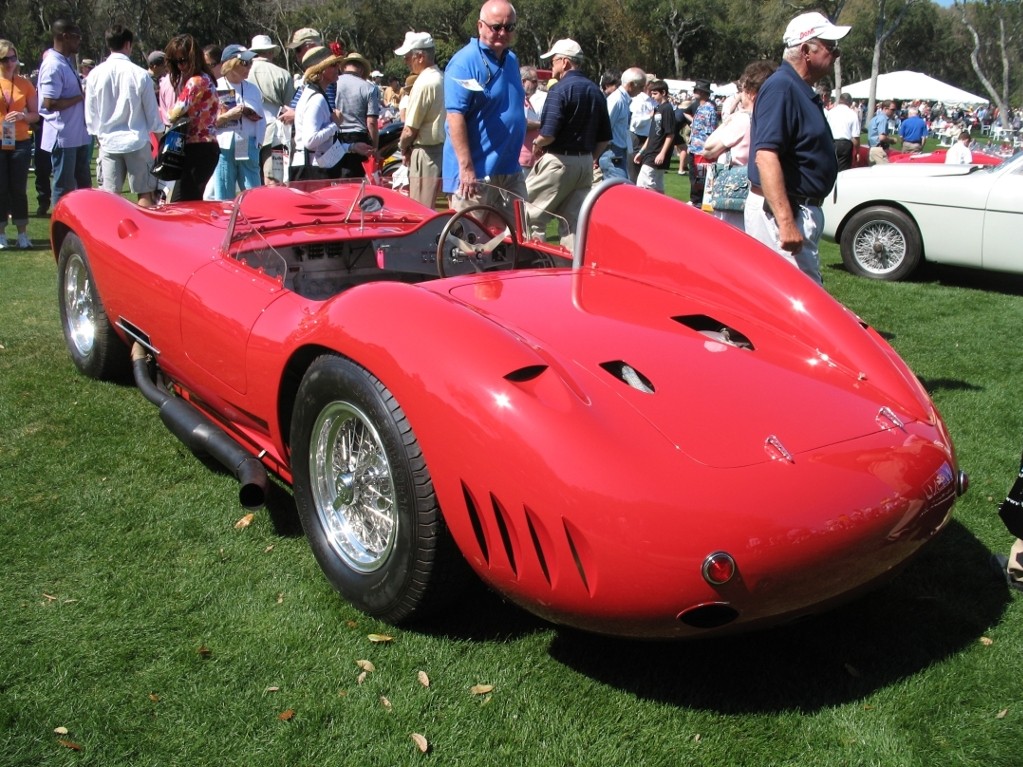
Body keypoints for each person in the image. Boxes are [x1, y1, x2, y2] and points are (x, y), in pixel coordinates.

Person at [745, 11, 850, 285]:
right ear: (806, 50)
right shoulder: (782, 88)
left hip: (795, 210)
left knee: (790, 301)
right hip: (785, 212)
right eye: (830, 47)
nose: (836, 54)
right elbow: (766, 157)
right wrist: (786, 222)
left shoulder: (795, 88)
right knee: (798, 303)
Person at [443, 0, 528, 217]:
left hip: (509, 170)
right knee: (469, 245)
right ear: (480, 26)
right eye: (496, 27)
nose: (502, 32)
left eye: (509, 27)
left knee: (518, 239)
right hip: (475, 175)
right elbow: (454, 116)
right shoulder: (464, 62)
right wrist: (466, 168)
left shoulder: (511, 60)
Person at [526, 38, 611, 249]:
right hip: (584, 165)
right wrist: (590, 159)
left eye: (553, 60)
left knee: (529, 216)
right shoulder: (595, 91)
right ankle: (569, 273)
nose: (551, 65)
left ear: (564, 62)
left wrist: (537, 143)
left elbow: (548, 134)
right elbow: (605, 137)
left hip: (558, 161)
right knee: (573, 224)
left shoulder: (560, 89)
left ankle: (532, 268)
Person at [84, 25, 163, 208]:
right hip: (136, 140)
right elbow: (153, 114)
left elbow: (91, 114)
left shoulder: (94, 75)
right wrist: (160, 140)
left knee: (111, 198)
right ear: (128, 44)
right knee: (145, 193)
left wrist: (98, 135)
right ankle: (145, 233)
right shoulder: (140, 74)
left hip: (109, 142)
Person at [701, 60, 776, 230]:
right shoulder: (769, 118)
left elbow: (708, 149)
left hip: (734, 189)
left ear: (749, 91)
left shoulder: (742, 119)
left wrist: (730, 118)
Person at [291, 45, 372, 181]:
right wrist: (335, 124)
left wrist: (351, 147)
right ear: (321, 70)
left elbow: (324, 144)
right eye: (333, 65)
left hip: (313, 166)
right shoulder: (316, 99)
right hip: (312, 170)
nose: (338, 69)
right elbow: (310, 141)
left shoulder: (316, 95)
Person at [38, 18, 91, 210]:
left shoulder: (64, 61)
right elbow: (50, 103)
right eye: (77, 37)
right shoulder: (53, 65)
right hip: (63, 136)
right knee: (64, 187)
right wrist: (79, 97)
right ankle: (60, 233)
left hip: (76, 135)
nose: (79, 41)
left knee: (83, 187)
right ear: (65, 36)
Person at [165, 34, 221, 201]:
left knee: (182, 203)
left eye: (183, 61)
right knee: (190, 200)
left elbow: (173, 114)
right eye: (176, 62)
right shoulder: (206, 78)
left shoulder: (195, 82)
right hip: (203, 148)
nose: (180, 66)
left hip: (199, 148)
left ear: (193, 58)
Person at [395, 32, 445, 209]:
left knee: (421, 208)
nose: (406, 62)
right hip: (439, 151)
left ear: (420, 57)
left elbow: (410, 130)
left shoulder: (424, 83)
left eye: (408, 57)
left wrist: (402, 147)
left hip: (426, 153)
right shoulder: (440, 77)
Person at [211, 45, 265, 200]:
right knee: (224, 196)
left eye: (250, 63)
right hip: (224, 147)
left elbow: (262, 118)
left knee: (254, 196)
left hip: (248, 145)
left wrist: (258, 143)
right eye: (244, 63)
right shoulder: (215, 87)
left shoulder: (252, 89)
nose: (248, 67)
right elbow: (207, 123)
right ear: (230, 63)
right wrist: (228, 116)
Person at [0, 39, 40, 249]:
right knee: (1, 189)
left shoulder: (25, 84)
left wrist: (23, 116)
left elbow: (36, 115)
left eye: (13, 58)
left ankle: (22, 233)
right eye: (5, 58)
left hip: (21, 142)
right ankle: (1, 234)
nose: (9, 62)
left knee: (19, 189)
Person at [247, 34, 296, 185]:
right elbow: (289, 105)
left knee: (249, 177)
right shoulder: (282, 73)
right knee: (274, 177)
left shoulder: (243, 72)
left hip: (249, 130)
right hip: (275, 133)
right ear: (269, 52)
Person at [333, 51, 379, 178]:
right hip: (358, 138)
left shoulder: (333, 83)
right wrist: (374, 148)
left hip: (335, 137)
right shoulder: (369, 88)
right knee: (356, 183)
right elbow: (372, 122)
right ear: (361, 69)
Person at [634, 79, 675, 194]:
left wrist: (662, 153)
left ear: (664, 93)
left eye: (655, 93)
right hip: (650, 151)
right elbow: (651, 134)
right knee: (656, 185)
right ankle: (661, 209)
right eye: (651, 93)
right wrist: (641, 152)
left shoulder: (667, 109)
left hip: (657, 153)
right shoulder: (658, 109)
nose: (653, 96)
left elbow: (670, 133)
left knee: (643, 185)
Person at [605, 67, 644, 181]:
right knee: (618, 189)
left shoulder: (623, 100)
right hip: (612, 152)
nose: (642, 90)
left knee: (621, 186)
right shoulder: (617, 100)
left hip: (619, 151)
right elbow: (605, 128)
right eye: (641, 86)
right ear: (631, 84)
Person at [685, 78, 718, 206]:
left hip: (702, 149)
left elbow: (711, 130)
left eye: (697, 90)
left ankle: (697, 201)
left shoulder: (710, 109)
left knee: (700, 178)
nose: (694, 91)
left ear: (704, 93)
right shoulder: (699, 107)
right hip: (694, 147)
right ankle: (695, 199)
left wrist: (708, 148)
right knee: (693, 175)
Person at [627, 77, 655, 184]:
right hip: (636, 138)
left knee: (645, 174)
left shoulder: (651, 101)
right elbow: (635, 123)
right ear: (647, 85)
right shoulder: (639, 100)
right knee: (634, 172)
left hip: (647, 139)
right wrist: (649, 116)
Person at [518, 65, 543, 175]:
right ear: (523, 81)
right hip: (522, 160)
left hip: (531, 160)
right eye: (533, 81)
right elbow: (522, 123)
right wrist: (542, 124)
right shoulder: (517, 99)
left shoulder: (526, 100)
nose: (536, 85)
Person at [826, 91, 860, 171]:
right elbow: (856, 137)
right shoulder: (852, 114)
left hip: (831, 142)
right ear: (850, 102)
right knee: (842, 171)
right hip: (845, 144)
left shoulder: (830, 112)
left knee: (830, 168)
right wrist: (857, 151)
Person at [868, 101, 895, 165]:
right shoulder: (883, 119)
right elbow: (882, 137)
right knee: (884, 173)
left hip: (872, 149)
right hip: (878, 150)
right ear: (885, 109)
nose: (894, 112)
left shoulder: (875, 118)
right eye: (892, 109)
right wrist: (891, 140)